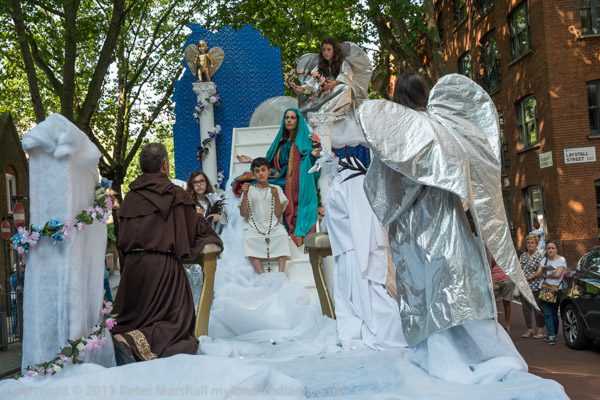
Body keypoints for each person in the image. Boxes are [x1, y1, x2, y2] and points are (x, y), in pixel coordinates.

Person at [358, 73, 534, 346]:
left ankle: (438, 351)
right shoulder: (444, 127)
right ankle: (478, 347)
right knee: (456, 284)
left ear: (398, 97)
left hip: (415, 224)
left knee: (426, 288)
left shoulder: (399, 131)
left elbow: (389, 186)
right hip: (450, 218)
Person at [111, 143, 223, 363]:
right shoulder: (176, 194)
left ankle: (122, 337)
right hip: (162, 269)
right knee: (177, 322)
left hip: (132, 270)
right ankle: (131, 341)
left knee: (130, 316)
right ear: (165, 165)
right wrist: (201, 222)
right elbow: (190, 234)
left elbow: (122, 238)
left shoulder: (130, 198)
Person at [236, 108, 320, 245]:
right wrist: (251, 161)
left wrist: (312, 156)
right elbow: (269, 164)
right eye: (287, 117)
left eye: (292, 118)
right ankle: (263, 225)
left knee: (276, 189)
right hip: (280, 176)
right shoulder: (280, 143)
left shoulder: (304, 142)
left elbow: (311, 164)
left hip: (297, 178)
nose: (289, 120)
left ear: (298, 121)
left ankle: (283, 225)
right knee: (251, 183)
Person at [239, 157, 290, 274]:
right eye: (257, 171)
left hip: (274, 226)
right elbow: (243, 214)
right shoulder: (249, 190)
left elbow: (278, 213)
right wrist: (245, 195)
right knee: (248, 238)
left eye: (263, 170)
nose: (261, 173)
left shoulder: (276, 189)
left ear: (269, 171)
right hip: (254, 227)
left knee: (282, 235)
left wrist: (276, 196)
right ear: (253, 174)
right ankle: (261, 273)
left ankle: (281, 272)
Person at [535, 240, 566, 345]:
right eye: (548, 248)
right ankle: (551, 335)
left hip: (556, 289)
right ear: (546, 250)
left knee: (553, 312)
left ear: (556, 249)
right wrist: (540, 273)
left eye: (553, 248)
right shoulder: (544, 260)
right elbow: (538, 272)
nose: (550, 250)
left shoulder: (561, 260)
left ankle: (554, 334)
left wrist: (546, 275)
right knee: (547, 313)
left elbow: (558, 274)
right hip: (544, 288)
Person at [519, 234, 546, 339]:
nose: (530, 244)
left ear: (536, 244)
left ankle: (540, 329)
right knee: (526, 308)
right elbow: (519, 268)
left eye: (532, 243)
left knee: (537, 308)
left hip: (535, 285)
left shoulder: (539, 256)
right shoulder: (522, 256)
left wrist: (529, 277)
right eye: (528, 243)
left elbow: (540, 271)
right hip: (524, 286)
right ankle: (529, 329)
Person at [491, 255, 515, 334]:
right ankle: (493, 324)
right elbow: (491, 263)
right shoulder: (486, 249)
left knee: (506, 302)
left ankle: (507, 325)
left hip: (505, 278)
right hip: (492, 279)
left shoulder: (503, 249)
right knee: (493, 303)